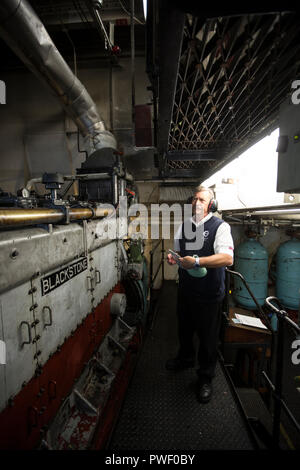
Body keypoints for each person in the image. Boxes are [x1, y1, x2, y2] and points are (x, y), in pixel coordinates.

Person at [166, 185, 234, 403]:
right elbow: (179, 251)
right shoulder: (185, 226)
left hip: (209, 294)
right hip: (186, 290)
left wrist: (197, 261)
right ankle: (186, 358)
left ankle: (205, 377)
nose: (197, 203)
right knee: (184, 330)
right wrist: (174, 257)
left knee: (207, 339)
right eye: (195, 199)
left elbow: (226, 258)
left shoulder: (220, 227)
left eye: (202, 200)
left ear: (211, 205)